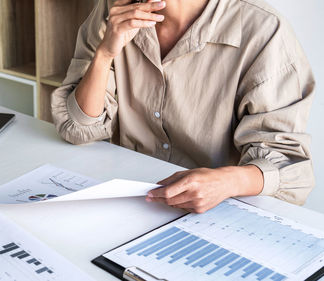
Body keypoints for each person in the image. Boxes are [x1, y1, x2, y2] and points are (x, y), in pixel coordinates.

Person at [51, 0, 315, 213]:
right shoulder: (113, 10)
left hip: (216, 212)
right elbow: (77, 127)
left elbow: (289, 170)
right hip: (128, 200)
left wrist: (225, 182)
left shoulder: (264, 31)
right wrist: (104, 54)